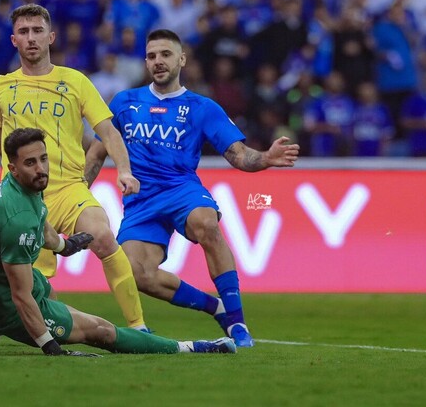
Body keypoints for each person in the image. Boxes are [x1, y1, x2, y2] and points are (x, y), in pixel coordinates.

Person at [0, 128, 235, 356]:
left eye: (43, 159)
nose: (41, 169)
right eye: (30, 163)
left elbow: (42, 222)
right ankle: (191, 347)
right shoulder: (16, 219)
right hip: (3, 296)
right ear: (13, 168)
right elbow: (21, 298)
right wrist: (50, 346)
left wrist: (64, 246)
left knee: (45, 292)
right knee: (101, 331)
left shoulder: (20, 186)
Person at [0, 3, 148, 331]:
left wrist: (125, 170)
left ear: (51, 37)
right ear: (14, 40)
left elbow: (108, 132)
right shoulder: (2, 87)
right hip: (22, 202)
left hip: (69, 189)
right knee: (42, 302)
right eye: (24, 32)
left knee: (102, 235)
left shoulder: (75, 81)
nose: (31, 38)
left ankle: (139, 327)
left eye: (37, 31)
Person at [84, 29, 301, 348]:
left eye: (166, 54)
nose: (159, 61)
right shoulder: (124, 103)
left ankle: (238, 322)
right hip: (140, 201)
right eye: (152, 56)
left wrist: (266, 157)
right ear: (146, 61)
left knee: (206, 223)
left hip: (181, 190)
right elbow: (96, 154)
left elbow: (238, 155)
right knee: (137, 274)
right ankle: (218, 308)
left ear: (182, 60)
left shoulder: (202, 107)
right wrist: (77, 197)